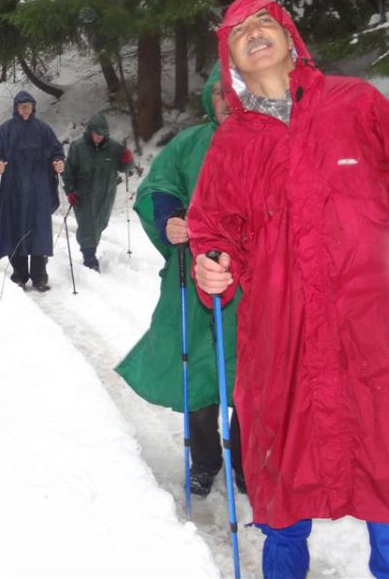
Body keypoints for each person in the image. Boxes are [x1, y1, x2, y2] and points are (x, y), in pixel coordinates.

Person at [189, 0, 389, 579]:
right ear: (230, 63)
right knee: (286, 480)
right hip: (284, 338)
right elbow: (214, 232)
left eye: (265, 22)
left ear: (290, 36)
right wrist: (211, 268)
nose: (254, 33)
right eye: (239, 32)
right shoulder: (233, 146)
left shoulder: (355, 105)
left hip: (373, 327)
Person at [115, 64, 245, 497]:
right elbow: (159, 186)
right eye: (220, 94)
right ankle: (206, 460)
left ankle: (248, 462)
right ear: (210, 97)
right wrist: (169, 218)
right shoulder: (190, 143)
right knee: (198, 363)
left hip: (254, 283)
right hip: (193, 274)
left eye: (235, 92)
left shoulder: (268, 142)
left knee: (252, 372)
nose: (227, 102)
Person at [0, 90, 65, 291]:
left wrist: (58, 162)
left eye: (29, 106)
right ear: (16, 108)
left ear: (33, 107)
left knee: (38, 231)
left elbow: (56, 150)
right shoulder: (6, 130)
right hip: (13, 189)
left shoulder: (43, 130)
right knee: (15, 229)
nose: (26, 110)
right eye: (22, 106)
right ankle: (20, 275)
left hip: (39, 188)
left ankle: (40, 277)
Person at [61, 113, 134, 271]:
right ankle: (89, 259)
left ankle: (90, 251)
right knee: (87, 225)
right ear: (90, 131)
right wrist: (70, 191)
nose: (99, 137)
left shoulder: (114, 148)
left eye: (102, 135)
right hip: (83, 194)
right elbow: (68, 172)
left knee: (100, 224)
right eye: (96, 134)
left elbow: (125, 167)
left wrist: (128, 160)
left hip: (106, 194)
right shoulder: (78, 147)